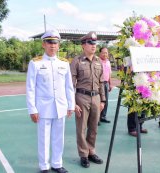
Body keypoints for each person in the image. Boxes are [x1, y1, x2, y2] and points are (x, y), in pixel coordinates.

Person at [26, 30, 75, 173]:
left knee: (59, 137)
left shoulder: (64, 64)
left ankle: (57, 164)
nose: (52, 46)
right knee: (44, 138)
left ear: (59, 45)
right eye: (49, 42)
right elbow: (30, 88)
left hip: (60, 106)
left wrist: (70, 105)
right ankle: (44, 166)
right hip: (43, 108)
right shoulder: (35, 63)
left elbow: (69, 86)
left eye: (55, 43)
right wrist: (32, 109)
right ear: (43, 44)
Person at [70, 31, 106, 168]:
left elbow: (101, 82)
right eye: (90, 43)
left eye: (95, 43)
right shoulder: (77, 61)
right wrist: (72, 102)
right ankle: (83, 154)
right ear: (83, 45)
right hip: (81, 97)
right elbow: (70, 84)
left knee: (94, 128)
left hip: (96, 97)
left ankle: (91, 151)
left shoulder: (98, 61)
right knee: (81, 128)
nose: (93, 46)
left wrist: (103, 100)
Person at [99, 47, 112, 124]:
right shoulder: (97, 61)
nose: (105, 54)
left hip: (106, 83)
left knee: (105, 101)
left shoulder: (108, 62)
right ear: (100, 53)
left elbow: (109, 73)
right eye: (103, 52)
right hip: (99, 83)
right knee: (99, 101)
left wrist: (110, 84)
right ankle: (96, 118)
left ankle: (103, 116)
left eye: (106, 53)